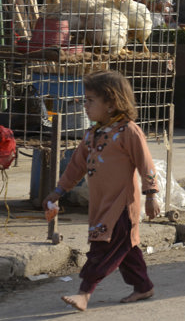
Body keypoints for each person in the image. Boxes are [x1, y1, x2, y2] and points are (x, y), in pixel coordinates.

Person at [43, 70, 159, 311]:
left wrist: (151, 195)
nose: (84, 106)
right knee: (127, 250)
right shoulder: (92, 134)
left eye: (90, 100)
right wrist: (59, 191)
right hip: (100, 204)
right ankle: (143, 286)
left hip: (121, 206)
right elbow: (76, 167)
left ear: (111, 103)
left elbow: (146, 164)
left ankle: (84, 292)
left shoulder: (128, 131)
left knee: (103, 249)